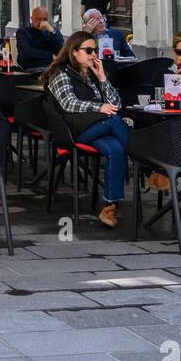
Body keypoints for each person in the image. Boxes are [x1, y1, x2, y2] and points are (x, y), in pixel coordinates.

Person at [42, 31, 129, 228]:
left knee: (115, 147)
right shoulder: (60, 73)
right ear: (74, 52)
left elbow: (116, 103)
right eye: (88, 50)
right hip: (73, 131)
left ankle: (110, 207)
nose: (93, 55)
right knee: (114, 121)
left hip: (95, 127)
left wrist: (103, 77)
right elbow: (68, 103)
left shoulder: (92, 73)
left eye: (95, 50)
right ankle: (147, 166)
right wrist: (98, 107)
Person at [17, 6, 64, 71]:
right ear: (32, 19)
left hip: (51, 66)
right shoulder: (23, 32)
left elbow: (61, 49)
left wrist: (51, 30)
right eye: (38, 19)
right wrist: (50, 56)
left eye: (45, 19)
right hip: (32, 68)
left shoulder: (52, 32)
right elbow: (27, 52)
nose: (42, 22)